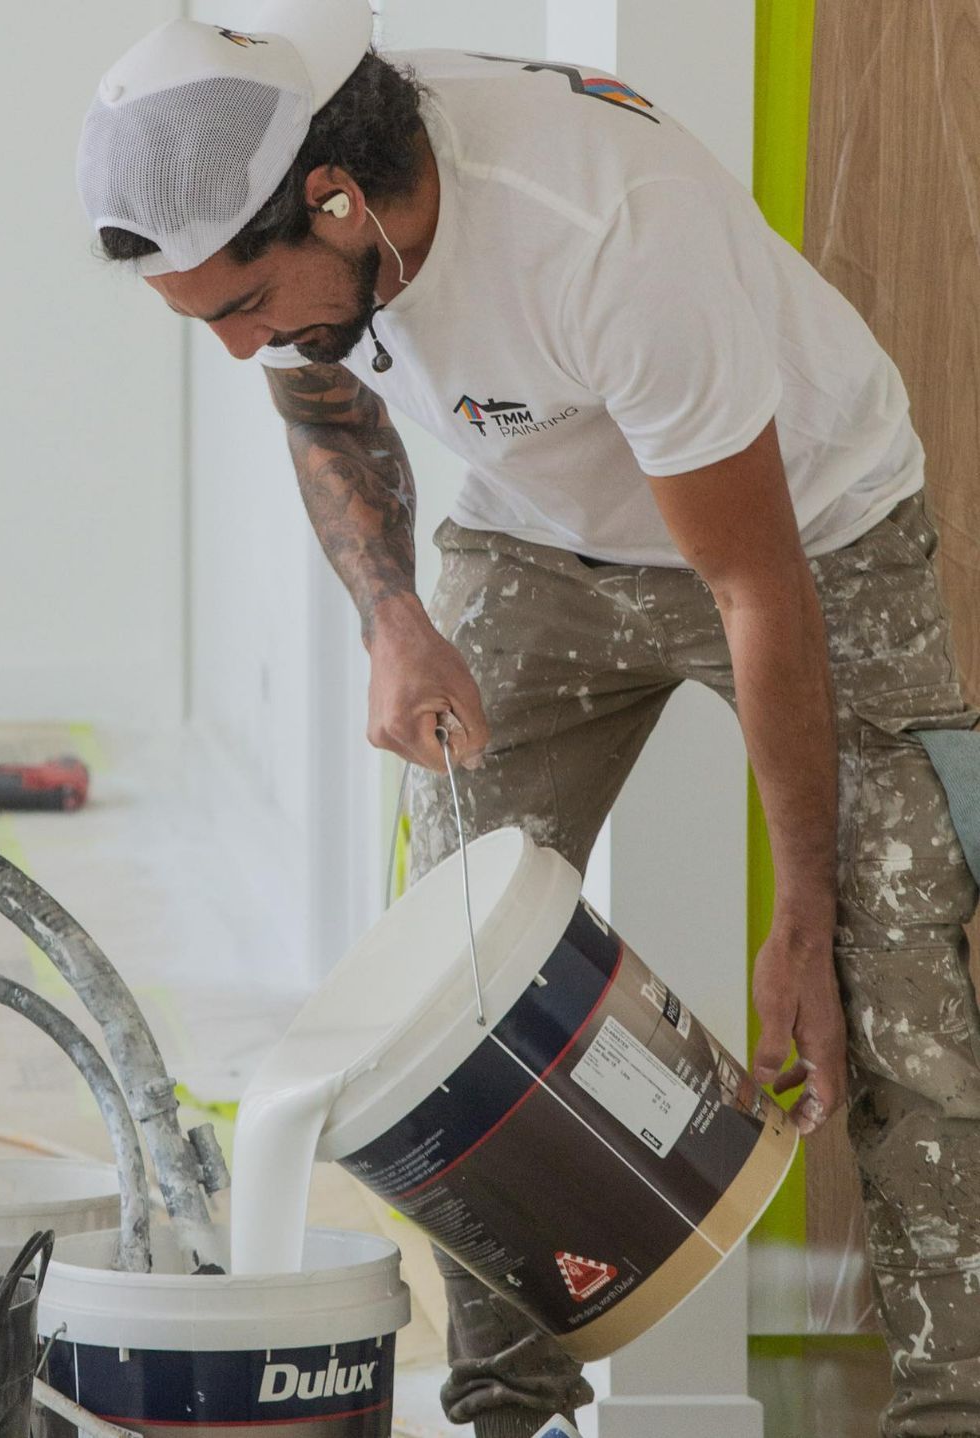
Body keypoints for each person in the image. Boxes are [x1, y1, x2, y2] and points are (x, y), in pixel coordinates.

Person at [78, 2, 980, 1434]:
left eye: (243, 306)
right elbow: (321, 401)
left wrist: (798, 908)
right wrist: (395, 621)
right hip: (532, 537)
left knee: (893, 977)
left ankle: (950, 1406)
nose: (242, 344)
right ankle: (509, 1407)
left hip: (808, 534)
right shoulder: (312, 231)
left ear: (337, 196)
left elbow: (754, 585)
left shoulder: (605, 230)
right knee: (453, 982)